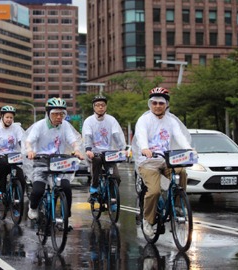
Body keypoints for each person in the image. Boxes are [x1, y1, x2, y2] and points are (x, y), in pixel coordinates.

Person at [132, 87, 192, 238]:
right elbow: (141, 136)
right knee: (154, 191)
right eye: (154, 103)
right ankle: (148, 220)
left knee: (181, 172)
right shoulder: (144, 120)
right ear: (150, 104)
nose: (157, 106)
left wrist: (188, 149)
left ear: (166, 105)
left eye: (161, 103)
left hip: (166, 161)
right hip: (148, 161)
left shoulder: (171, 121)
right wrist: (145, 148)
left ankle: (178, 205)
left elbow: (179, 137)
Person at [22, 98, 84, 220]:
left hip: (58, 162)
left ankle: (66, 213)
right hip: (41, 162)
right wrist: (29, 151)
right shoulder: (39, 126)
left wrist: (77, 150)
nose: (59, 117)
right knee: (38, 190)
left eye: (62, 114)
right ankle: (33, 207)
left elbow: (73, 141)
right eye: (55, 113)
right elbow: (29, 141)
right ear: (48, 114)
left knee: (66, 187)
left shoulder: (65, 126)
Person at [82, 95, 126, 196]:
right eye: (98, 105)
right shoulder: (89, 121)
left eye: (103, 105)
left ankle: (112, 199)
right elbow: (87, 135)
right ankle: (94, 185)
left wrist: (121, 149)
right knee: (96, 162)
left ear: (106, 107)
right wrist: (88, 150)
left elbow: (116, 134)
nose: (100, 107)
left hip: (109, 153)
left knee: (116, 177)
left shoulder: (111, 120)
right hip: (94, 153)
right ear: (94, 107)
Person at [0, 105, 26, 201]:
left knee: (21, 179)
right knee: (3, 165)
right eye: (7, 117)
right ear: (2, 116)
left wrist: (25, 151)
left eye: (11, 117)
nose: (9, 120)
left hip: (13, 157)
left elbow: (21, 141)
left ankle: (17, 201)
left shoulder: (16, 128)